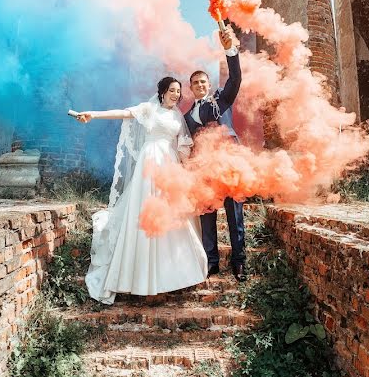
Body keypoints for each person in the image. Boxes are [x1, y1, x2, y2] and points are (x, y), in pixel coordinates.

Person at [74, 77, 207, 304]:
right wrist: (93, 114)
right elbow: (124, 113)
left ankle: (170, 276)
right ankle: (142, 282)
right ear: (162, 92)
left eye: (178, 91)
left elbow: (183, 144)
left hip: (170, 166)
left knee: (170, 217)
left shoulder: (177, 115)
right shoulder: (148, 109)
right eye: (172, 91)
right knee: (145, 215)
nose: (176, 95)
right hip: (150, 161)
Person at [185, 25, 246, 282]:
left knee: (234, 213)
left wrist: (230, 50)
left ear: (208, 85)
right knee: (207, 214)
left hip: (227, 163)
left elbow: (235, 79)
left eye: (203, 81)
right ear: (191, 88)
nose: (199, 85)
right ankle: (211, 262)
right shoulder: (187, 115)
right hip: (202, 168)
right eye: (195, 83)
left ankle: (239, 262)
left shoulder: (222, 99)